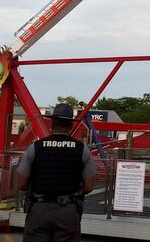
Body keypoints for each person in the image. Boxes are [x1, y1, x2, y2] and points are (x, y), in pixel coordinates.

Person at [17, 103, 95, 241]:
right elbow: (89, 186)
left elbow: (21, 183)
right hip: (68, 211)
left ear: (52, 123)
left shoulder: (35, 147)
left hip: (39, 210)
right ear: (71, 125)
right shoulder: (82, 149)